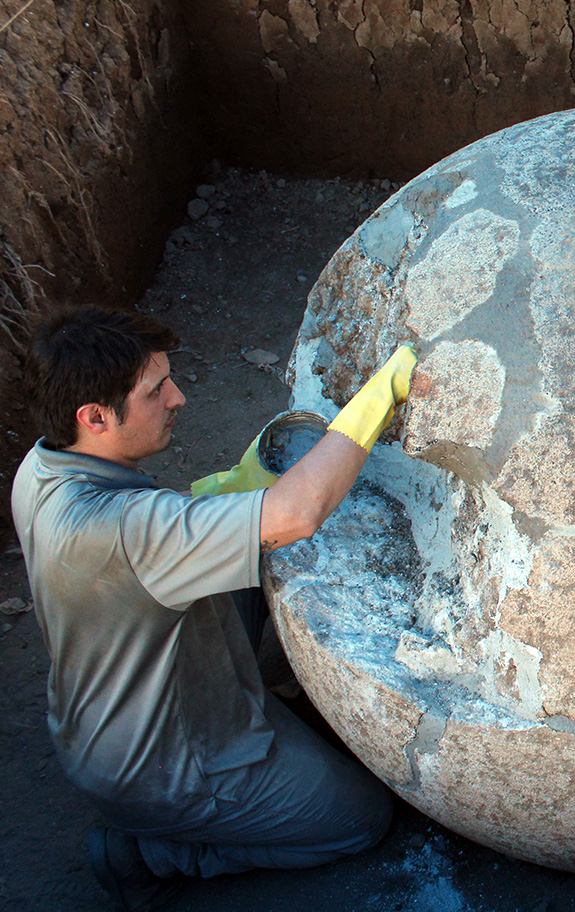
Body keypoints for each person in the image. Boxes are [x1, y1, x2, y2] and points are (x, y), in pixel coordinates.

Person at [10, 304, 418, 911]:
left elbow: (156, 539)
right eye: (155, 390)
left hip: (109, 714)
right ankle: (149, 855)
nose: (177, 397)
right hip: (171, 767)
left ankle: (276, 695)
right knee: (359, 819)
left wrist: (231, 489)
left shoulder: (42, 468)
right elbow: (294, 515)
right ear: (94, 417)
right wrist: (376, 400)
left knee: (253, 559)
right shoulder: (121, 530)